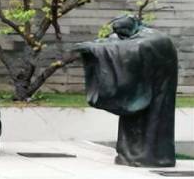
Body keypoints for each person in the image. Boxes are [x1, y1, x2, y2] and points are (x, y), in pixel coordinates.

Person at [74, 16, 178, 167]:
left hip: (158, 92)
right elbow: (116, 44)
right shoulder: (133, 37)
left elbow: (133, 48)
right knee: (132, 122)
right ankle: (128, 155)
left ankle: (153, 157)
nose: (121, 37)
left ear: (133, 26)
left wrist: (96, 49)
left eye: (123, 34)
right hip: (141, 87)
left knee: (153, 125)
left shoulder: (157, 39)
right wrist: (94, 46)